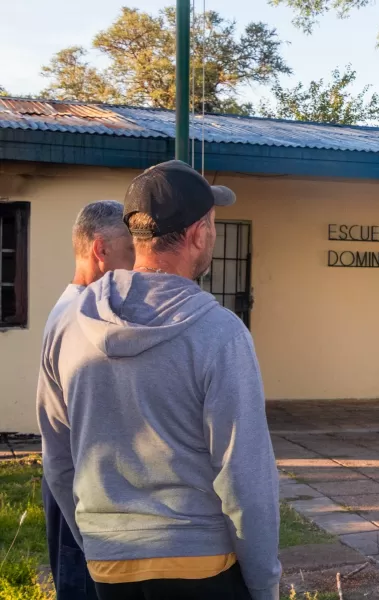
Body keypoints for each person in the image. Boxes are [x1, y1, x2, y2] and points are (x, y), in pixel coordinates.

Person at [37, 160, 281, 600]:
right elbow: (246, 477)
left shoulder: (67, 324)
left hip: (109, 562)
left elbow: (57, 459)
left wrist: (96, 541)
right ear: (198, 234)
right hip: (201, 562)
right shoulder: (220, 333)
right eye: (212, 222)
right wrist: (264, 584)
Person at [41, 200, 134, 600]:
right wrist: (83, 530)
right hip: (78, 495)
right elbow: (58, 444)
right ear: (100, 250)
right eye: (130, 250)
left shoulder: (81, 309)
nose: (138, 263)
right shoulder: (79, 318)